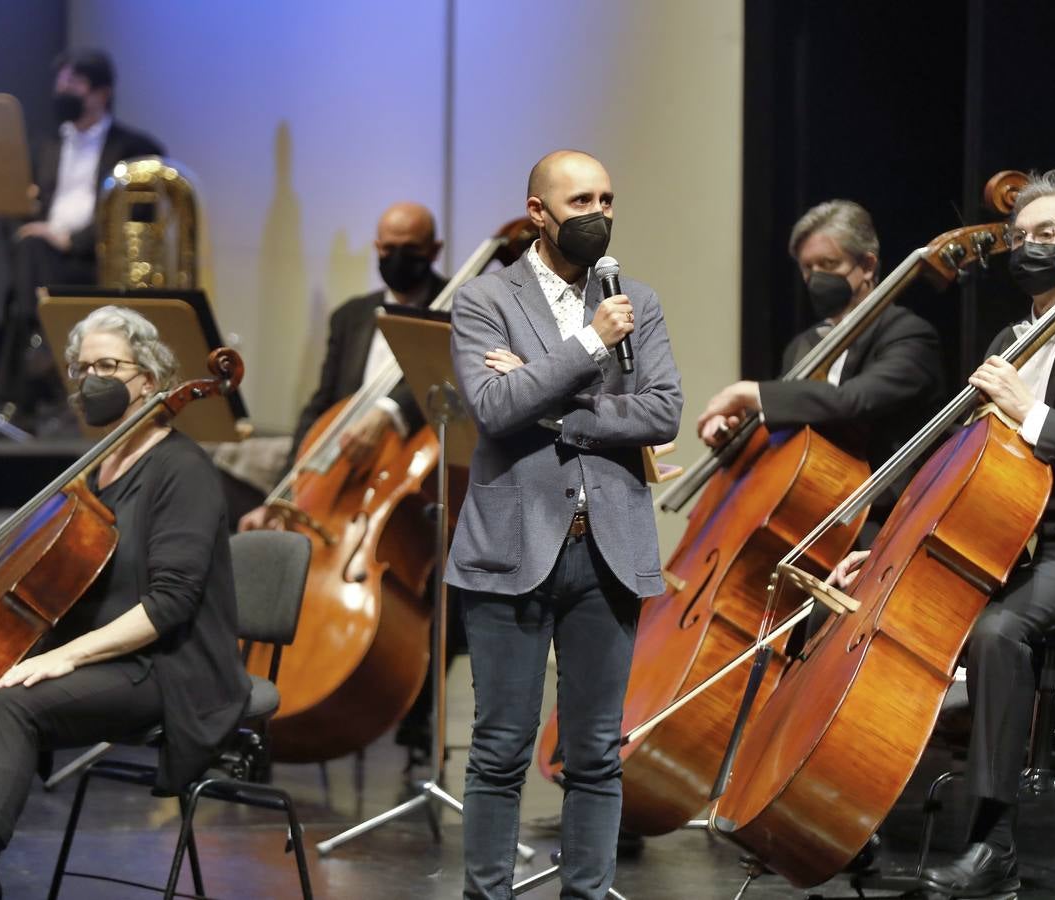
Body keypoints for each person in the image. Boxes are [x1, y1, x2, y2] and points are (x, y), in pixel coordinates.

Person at [829, 169, 1055, 897]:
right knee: (894, 611)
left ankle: (993, 847)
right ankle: (845, 808)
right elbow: (962, 465)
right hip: (1004, 539)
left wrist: (1031, 413)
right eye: (1020, 238)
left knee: (999, 631)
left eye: (1047, 237)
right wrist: (893, 546)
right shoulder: (1010, 338)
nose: (1028, 248)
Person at [0, 306, 249, 899]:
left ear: (151, 377)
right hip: (104, 658)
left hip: (169, 667)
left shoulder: (182, 469)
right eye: (82, 368)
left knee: (11, 704)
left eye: (108, 365)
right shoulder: (92, 472)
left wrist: (65, 658)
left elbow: (170, 605)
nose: (92, 380)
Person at [444, 149, 682, 898]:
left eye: (607, 200)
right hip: (510, 548)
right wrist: (589, 348)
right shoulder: (484, 299)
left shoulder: (633, 298)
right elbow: (493, 408)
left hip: (607, 551)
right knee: (501, 748)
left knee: (596, 752)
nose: (599, 215)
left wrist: (553, 404)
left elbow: (664, 411)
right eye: (581, 201)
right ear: (538, 213)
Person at [236, 201, 453, 763]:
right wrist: (286, 492)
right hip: (339, 490)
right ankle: (255, 713)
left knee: (446, 588)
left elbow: (443, 386)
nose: (394, 258)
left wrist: (386, 412)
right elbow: (321, 406)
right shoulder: (352, 316)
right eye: (384, 247)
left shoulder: (460, 307)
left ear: (433, 250)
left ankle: (419, 718)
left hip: (419, 491)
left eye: (407, 249)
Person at [695, 199, 942, 536]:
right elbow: (791, 430)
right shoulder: (803, 345)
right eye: (808, 268)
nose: (815, 278)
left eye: (829, 264)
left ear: (867, 265)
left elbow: (850, 401)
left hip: (883, 519)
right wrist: (737, 431)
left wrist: (750, 393)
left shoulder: (908, 335)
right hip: (810, 514)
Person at [0, 50, 165, 433]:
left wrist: (70, 240)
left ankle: (25, 386)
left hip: (94, 259)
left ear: (102, 92)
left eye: (73, 83)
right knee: (32, 251)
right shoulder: (43, 144)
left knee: (32, 274)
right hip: (41, 256)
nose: (62, 91)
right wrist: (29, 226)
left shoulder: (135, 149)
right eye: (60, 83)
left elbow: (133, 219)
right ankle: (41, 350)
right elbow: (16, 201)